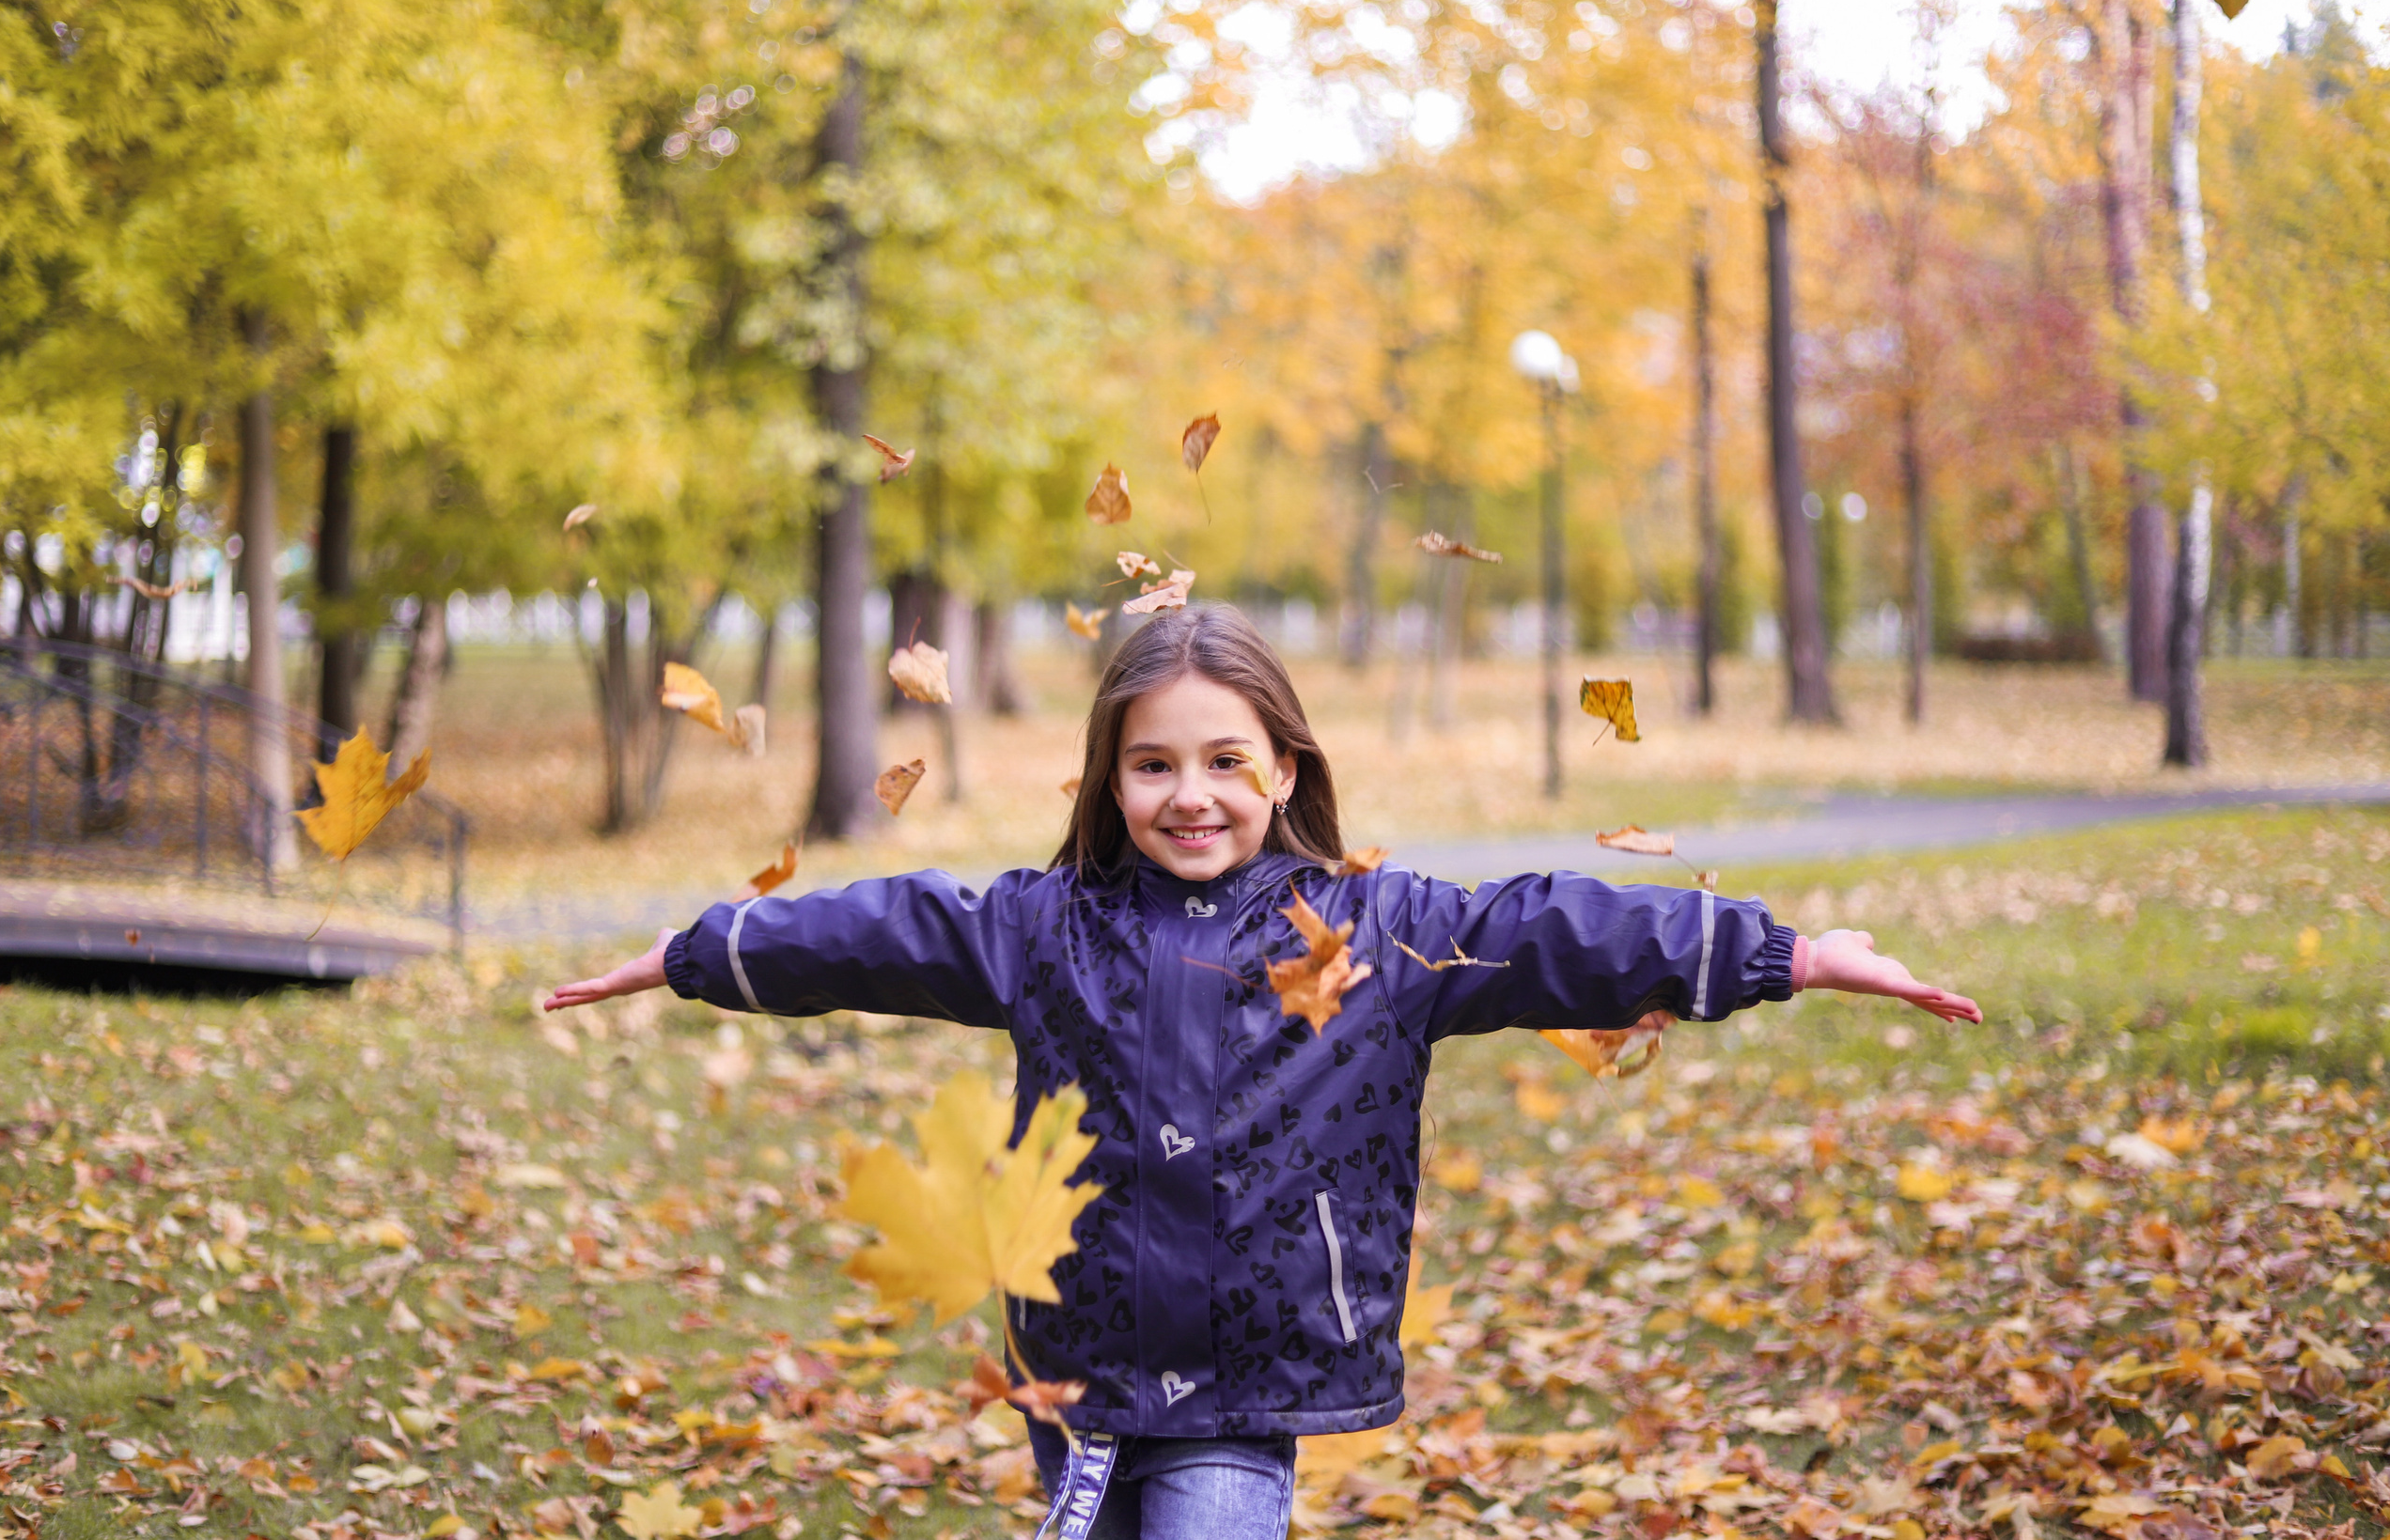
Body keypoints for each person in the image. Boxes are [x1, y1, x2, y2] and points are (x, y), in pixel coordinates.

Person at [546, 604, 1978, 1540]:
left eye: (1226, 762)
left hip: (1253, 1380)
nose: (1192, 796)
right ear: (1110, 778)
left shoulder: (1382, 929)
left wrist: (1787, 952)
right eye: (1153, 766)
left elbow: (1562, 933)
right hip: (1080, 1373)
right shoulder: (1041, 929)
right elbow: (872, 934)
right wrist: (696, 950)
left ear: (1285, 769)